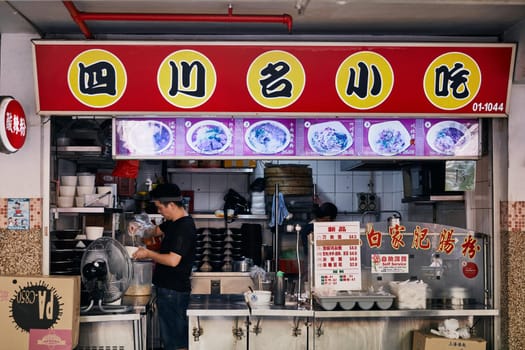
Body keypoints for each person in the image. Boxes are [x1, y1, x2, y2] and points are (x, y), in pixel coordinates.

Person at [129, 183, 197, 350]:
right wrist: (138, 228)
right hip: (167, 290)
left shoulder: (184, 227)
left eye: (160, 208)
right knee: (170, 340)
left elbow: (173, 260)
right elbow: (152, 231)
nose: (159, 211)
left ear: (171, 205)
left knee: (175, 341)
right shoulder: (173, 222)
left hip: (173, 292)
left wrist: (148, 254)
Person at [300, 201, 338, 269]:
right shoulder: (311, 229)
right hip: (316, 266)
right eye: (332, 220)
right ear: (328, 218)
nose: (333, 222)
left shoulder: (309, 227)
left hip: (317, 265)